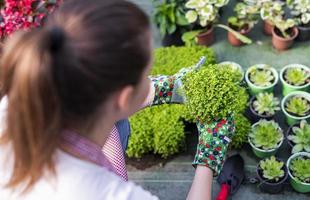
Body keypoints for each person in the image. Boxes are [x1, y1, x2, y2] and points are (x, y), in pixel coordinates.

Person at [0, 0, 235, 199]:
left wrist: (167, 88)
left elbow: (104, 112)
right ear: (123, 97)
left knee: (119, 125)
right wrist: (208, 157)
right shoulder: (112, 194)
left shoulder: (19, 102)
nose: (154, 77)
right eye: (147, 73)